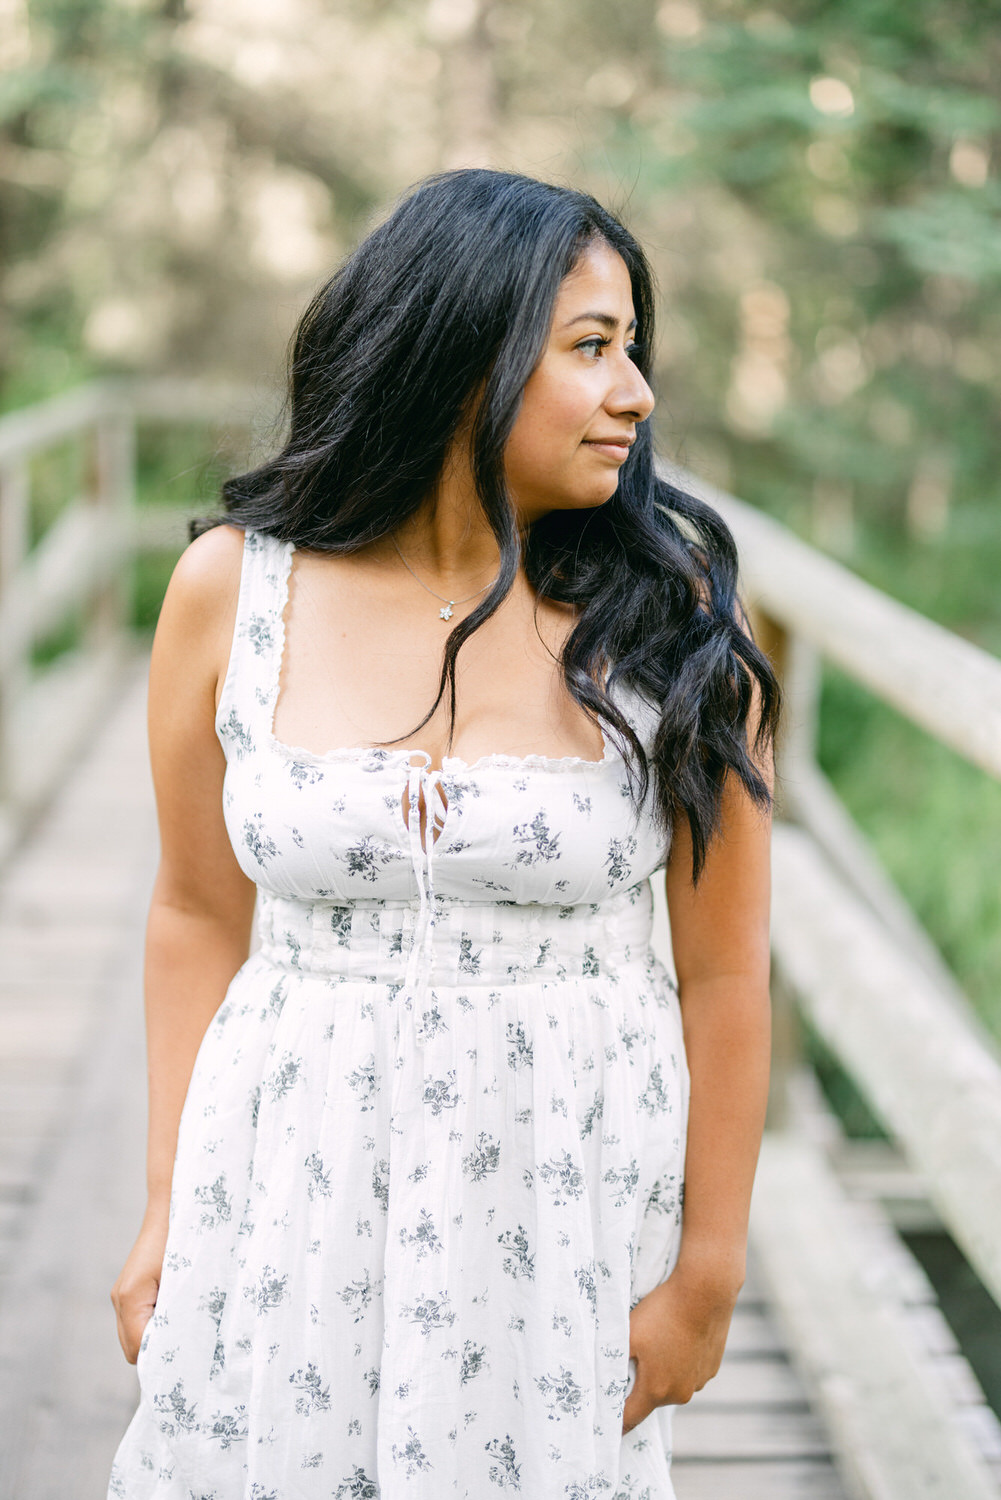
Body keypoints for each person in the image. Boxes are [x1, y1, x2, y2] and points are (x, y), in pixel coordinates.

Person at [108, 167, 779, 1500]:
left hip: (553, 1217)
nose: (635, 394)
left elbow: (723, 974)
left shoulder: (665, 618)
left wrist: (705, 1274)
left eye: (631, 348)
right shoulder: (236, 592)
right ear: (459, 355)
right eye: (591, 348)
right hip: (287, 1198)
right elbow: (194, 910)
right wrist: (167, 1209)